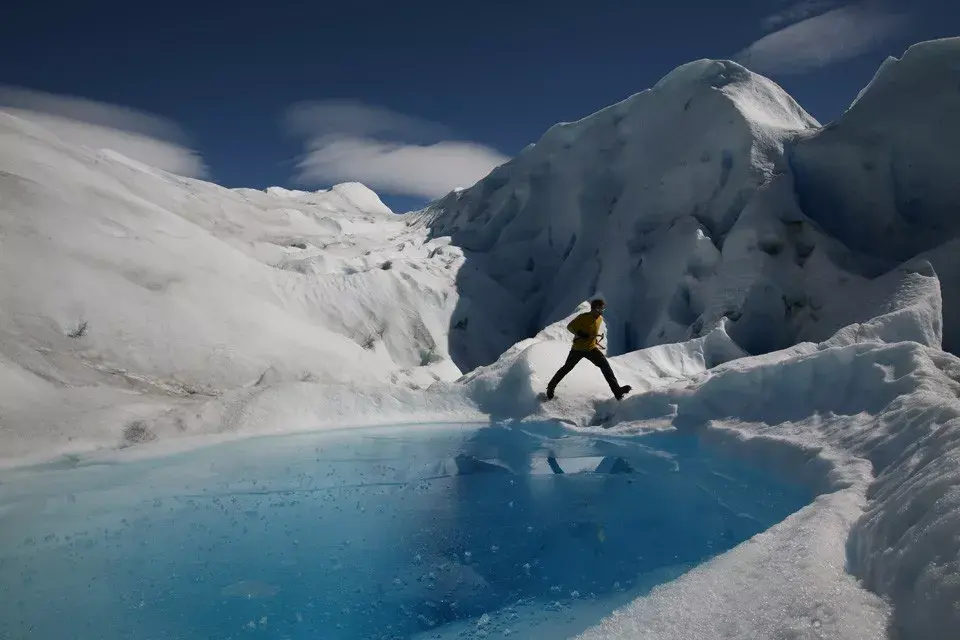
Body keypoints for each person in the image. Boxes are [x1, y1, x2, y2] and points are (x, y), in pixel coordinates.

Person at [545, 297, 631, 401]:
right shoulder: (583, 317)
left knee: (605, 367)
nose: (601, 312)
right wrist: (580, 333)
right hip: (578, 349)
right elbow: (570, 326)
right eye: (599, 309)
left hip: (591, 349)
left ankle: (617, 391)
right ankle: (550, 387)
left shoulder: (599, 319)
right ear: (593, 309)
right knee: (566, 368)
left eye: (603, 309)